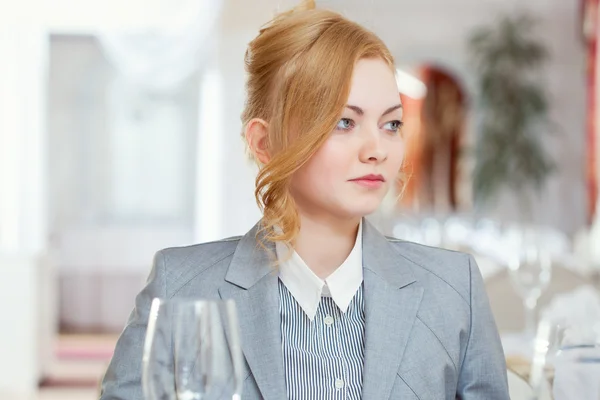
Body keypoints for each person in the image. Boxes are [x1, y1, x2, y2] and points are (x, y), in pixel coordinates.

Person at [100, 4, 509, 400]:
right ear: (265, 142)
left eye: (392, 124)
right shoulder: (181, 287)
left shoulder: (454, 290)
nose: (377, 149)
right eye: (344, 122)